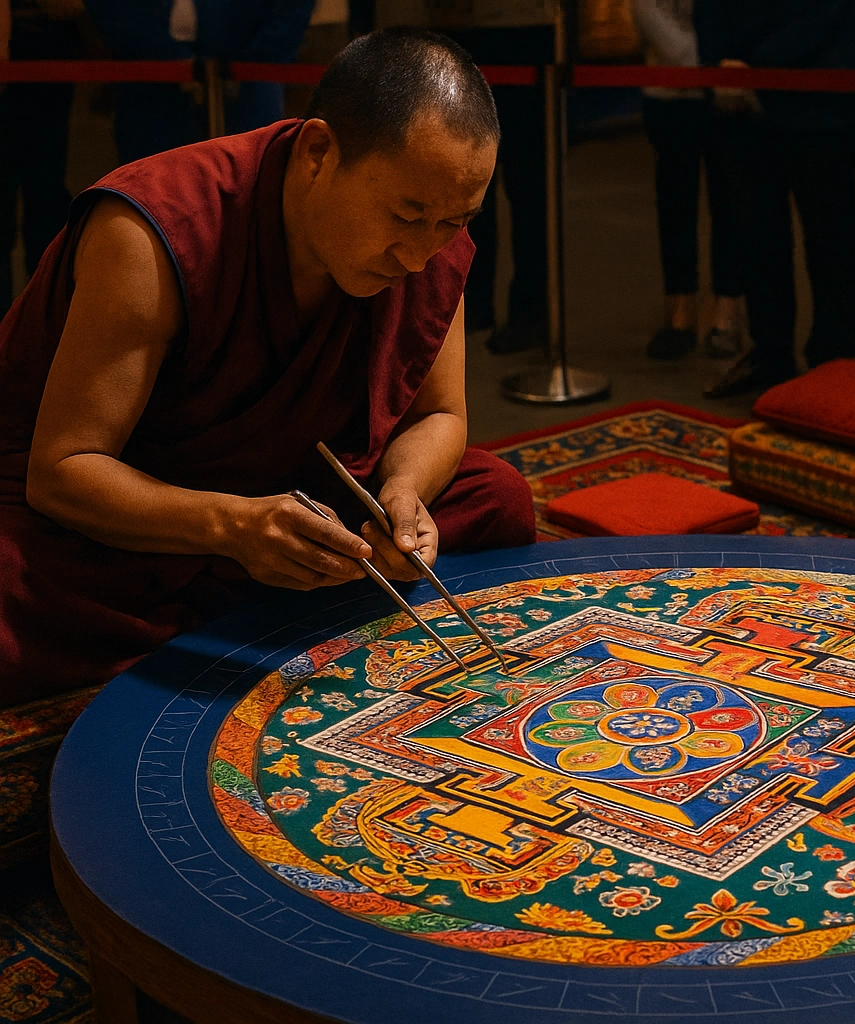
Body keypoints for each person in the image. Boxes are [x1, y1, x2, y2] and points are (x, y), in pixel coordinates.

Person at [0, 28, 536, 706]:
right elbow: (64, 471)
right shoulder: (157, 229)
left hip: (304, 510)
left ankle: (253, 607)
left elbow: (440, 415)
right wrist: (232, 526)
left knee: (498, 499)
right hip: (142, 520)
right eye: (406, 216)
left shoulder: (432, 239)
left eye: (453, 223)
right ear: (318, 153)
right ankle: (278, 605)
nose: (419, 256)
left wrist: (403, 497)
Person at [695, 0, 855, 398]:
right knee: (757, 238)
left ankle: (834, 366)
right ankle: (770, 358)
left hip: (822, 96)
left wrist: (754, 66)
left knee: (830, 242)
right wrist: (717, 61)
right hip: (744, 102)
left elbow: (828, 12)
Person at [374, 0, 555, 353]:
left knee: (528, 186)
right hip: (447, 28)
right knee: (456, 184)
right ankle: (464, 303)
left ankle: (528, 311)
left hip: (516, 29)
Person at [632, 0, 744, 361]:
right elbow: (646, 11)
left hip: (727, 89)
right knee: (675, 207)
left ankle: (727, 311)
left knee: (729, 205)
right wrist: (708, 64)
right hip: (672, 91)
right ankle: (679, 311)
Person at [84, 0, 314, 163]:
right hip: (150, 82)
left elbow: (292, 11)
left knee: (250, 184)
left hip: (248, 81)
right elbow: (112, 10)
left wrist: (259, 59)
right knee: (151, 190)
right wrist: (164, 55)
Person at [1, 0, 84, 307]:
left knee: (46, 197)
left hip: (48, 52)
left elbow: (71, 8)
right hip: (31, 53)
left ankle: (44, 318)